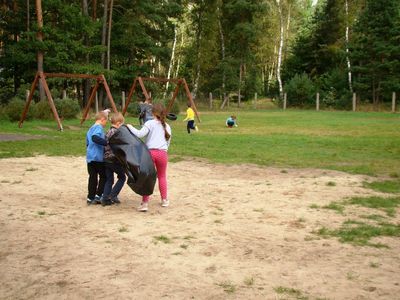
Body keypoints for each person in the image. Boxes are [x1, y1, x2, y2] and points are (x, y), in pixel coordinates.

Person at [127, 103, 172, 212]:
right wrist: (164, 150)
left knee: (147, 177)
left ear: (153, 113)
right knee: (162, 176)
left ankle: (145, 203)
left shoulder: (149, 123)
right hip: (163, 154)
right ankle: (164, 200)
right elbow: (168, 141)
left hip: (150, 153)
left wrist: (129, 126)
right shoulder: (167, 126)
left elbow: (139, 134)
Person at [101, 113, 127, 206]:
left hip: (106, 159)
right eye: (122, 124)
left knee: (109, 179)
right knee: (122, 177)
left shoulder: (108, 131)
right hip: (114, 160)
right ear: (118, 123)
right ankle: (113, 195)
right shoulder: (117, 133)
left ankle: (105, 199)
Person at [86, 111, 108, 205]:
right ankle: (98, 195)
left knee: (93, 177)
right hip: (97, 157)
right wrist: (106, 143)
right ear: (102, 119)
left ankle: (90, 197)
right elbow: (95, 138)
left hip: (90, 157)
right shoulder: (98, 127)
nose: (105, 123)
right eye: (105, 121)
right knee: (104, 176)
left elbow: (87, 142)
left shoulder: (90, 128)